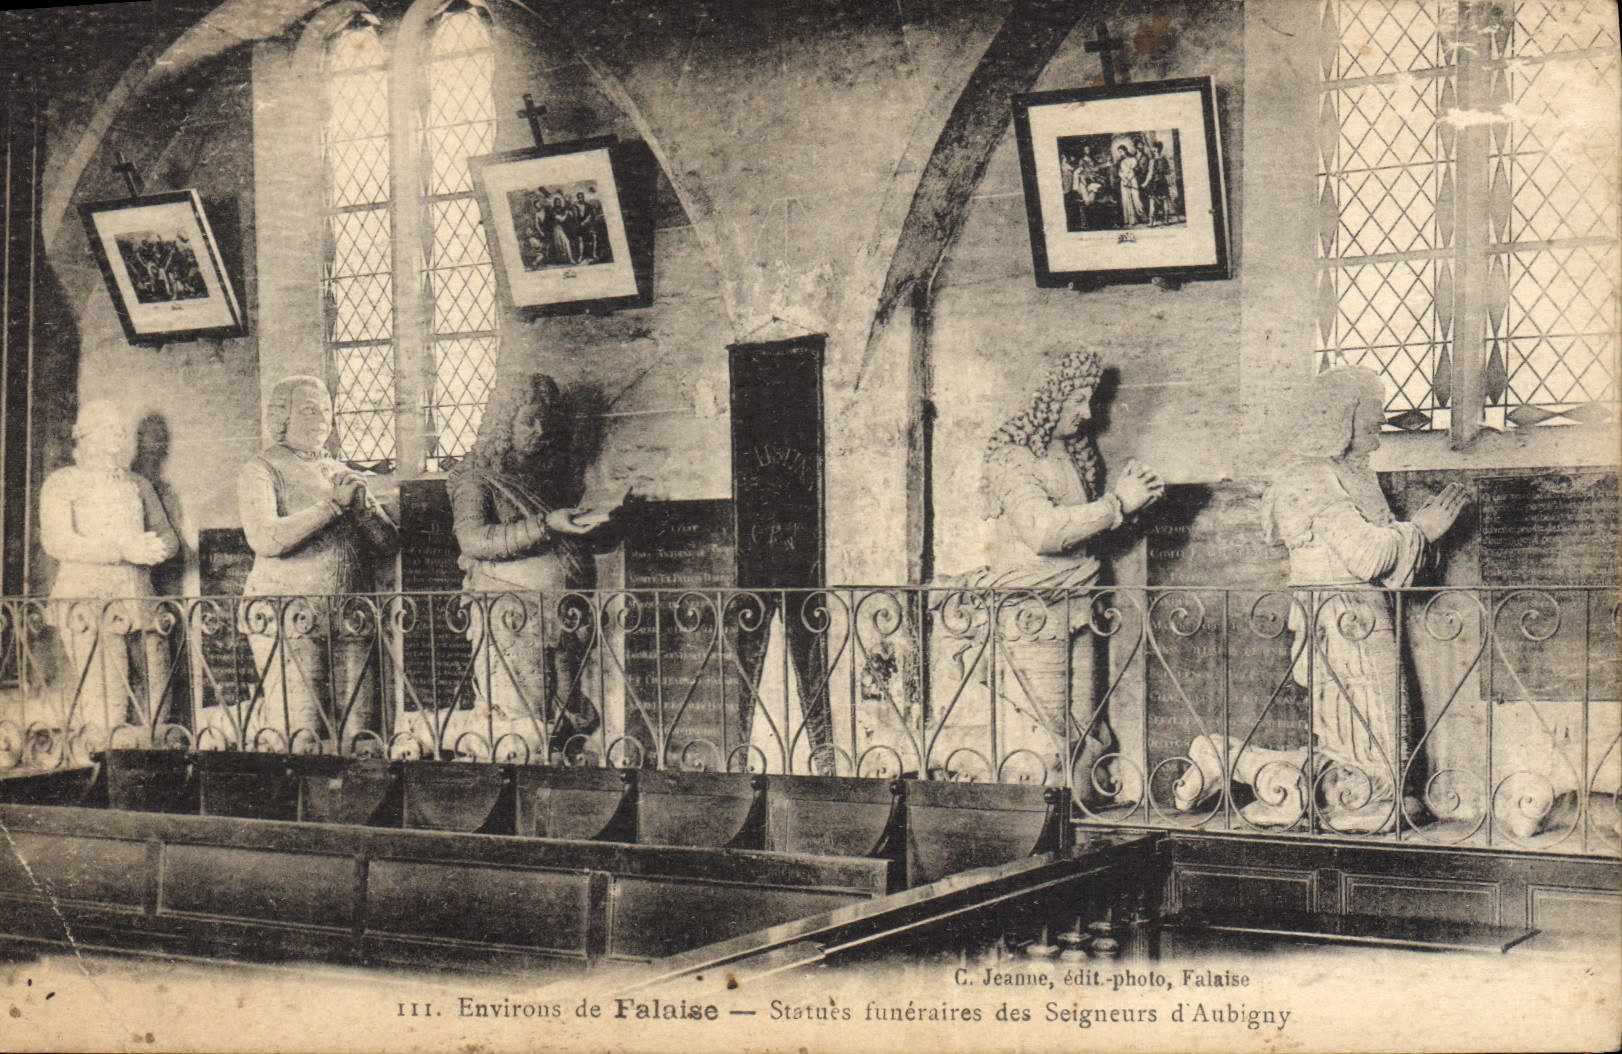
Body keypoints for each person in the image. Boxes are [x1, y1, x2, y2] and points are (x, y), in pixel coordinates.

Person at [1178, 367, 1469, 832]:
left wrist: (1417, 537)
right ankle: (1291, 781)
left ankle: (1233, 759)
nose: (1380, 415)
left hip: (1364, 615)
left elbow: (1390, 564)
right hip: (1341, 620)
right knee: (1371, 750)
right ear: (1344, 414)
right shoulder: (1309, 477)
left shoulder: (1350, 473)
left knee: (1376, 744)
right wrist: (1421, 529)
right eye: (1373, 405)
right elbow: (1367, 555)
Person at [948, 350, 1164, 795]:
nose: (1086, 414)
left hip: (1078, 607)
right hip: (1031, 615)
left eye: (1090, 402)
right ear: (1046, 399)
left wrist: (1135, 510)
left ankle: (1080, 811)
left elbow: (1085, 537)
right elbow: (1043, 533)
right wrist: (1117, 504)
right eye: (1077, 401)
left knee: (1084, 730)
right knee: (1042, 735)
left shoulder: (1068, 456)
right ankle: (1040, 821)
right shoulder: (1011, 459)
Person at [449, 373, 605, 761]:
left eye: (545, 423)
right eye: (528, 421)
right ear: (504, 423)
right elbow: (474, 541)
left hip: (559, 612)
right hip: (511, 616)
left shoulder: (543, 477)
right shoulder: (475, 477)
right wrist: (544, 525)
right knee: (521, 726)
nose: (539, 431)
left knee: (566, 719)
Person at [237, 375, 398, 751]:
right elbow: (265, 538)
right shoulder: (262, 469)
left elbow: (388, 543)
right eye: (309, 409)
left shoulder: (337, 470)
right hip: (290, 615)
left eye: (326, 409)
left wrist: (365, 509)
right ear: (282, 417)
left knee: (360, 732)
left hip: (348, 615)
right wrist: (332, 506)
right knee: (301, 730)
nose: (321, 418)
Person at [40, 400, 180, 754]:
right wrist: (123, 549)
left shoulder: (138, 484)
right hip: (89, 601)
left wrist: (154, 550)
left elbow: (170, 538)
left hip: (140, 600)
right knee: (109, 704)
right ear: (85, 436)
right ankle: (110, 777)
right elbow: (57, 541)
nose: (119, 438)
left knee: (159, 702)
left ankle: (156, 776)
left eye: (122, 431)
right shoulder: (63, 483)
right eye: (110, 430)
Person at [1115, 143, 1144, 227]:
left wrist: (1129, 179)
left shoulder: (1132, 159)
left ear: (1125, 150)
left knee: (1136, 198)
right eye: (1119, 152)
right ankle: (1130, 220)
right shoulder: (1119, 161)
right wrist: (1124, 179)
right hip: (1124, 182)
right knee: (1126, 200)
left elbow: (1134, 171)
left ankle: (1142, 217)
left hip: (1132, 180)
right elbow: (1119, 172)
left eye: (1121, 151)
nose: (1120, 153)